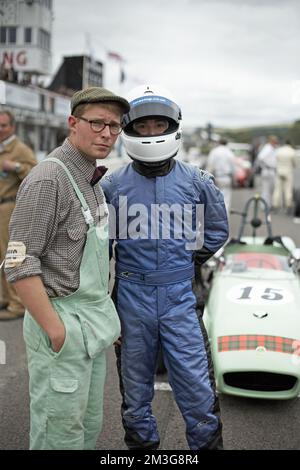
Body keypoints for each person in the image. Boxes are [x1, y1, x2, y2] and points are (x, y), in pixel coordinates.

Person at [101, 84, 229, 450]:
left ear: (172, 127)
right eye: (143, 127)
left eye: (159, 125)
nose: (152, 133)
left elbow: (217, 230)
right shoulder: (111, 186)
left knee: (198, 391)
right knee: (135, 394)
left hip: (180, 298)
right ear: (130, 131)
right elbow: (100, 247)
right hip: (130, 298)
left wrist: (188, 262)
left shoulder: (197, 181)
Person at [4, 87, 130, 449]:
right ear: (72, 123)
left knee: (86, 428)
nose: (107, 133)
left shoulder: (91, 180)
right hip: (62, 325)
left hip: (90, 326)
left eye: (115, 126)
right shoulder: (48, 179)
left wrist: (102, 316)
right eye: (97, 123)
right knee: (57, 434)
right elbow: (19, 262)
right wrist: (56, 331)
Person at [0, 110, 36, 320]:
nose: (0, 129)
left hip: (10, 208)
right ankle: (4, 298)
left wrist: (15, 166)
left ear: (12, 127)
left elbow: (35, 174)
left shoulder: (19, 149)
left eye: (4, 125)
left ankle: (17, 303)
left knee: (9, 257)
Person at [206, 138, 236, 213]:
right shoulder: (229, 152)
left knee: (215, 199)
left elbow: (209, 165)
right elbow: (233, 168)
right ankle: (225, 220)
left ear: (219, 143)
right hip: (226, 177)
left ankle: (216, 217)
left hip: (216, 177)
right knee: (226, 199)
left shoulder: (214, 152)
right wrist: (234, 179)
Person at [272, 140, 296, 212]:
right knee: (288, 189)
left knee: (277, 189)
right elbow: (294, 163)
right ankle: (288, 205)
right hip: (288, 172)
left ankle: (275, 204)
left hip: (279, 171)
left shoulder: (279, 150)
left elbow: (275, 160)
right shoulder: (292, 151)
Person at [256, 135, 278, 209]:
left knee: (269, 190)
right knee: (266, 190)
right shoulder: (268, 148)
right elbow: (260, 157)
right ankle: (265, 205)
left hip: (269, 170)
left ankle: (267, 204)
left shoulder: (271, 148)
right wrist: (266, 165)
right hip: (268, 171)